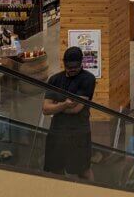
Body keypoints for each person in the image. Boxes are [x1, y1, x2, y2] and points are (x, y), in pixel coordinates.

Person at [42, 47, 97, 180]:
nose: (72, 70)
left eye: (75, 67)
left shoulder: (88, 79)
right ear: (64, 63)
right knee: (56, 170)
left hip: (79, 132)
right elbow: (45, 109)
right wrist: (64, 104)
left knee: (83, 170)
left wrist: (56, 106)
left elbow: (76, 109)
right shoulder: (54, 79)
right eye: (69, 66)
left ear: (81, 63)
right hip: (57, 131)